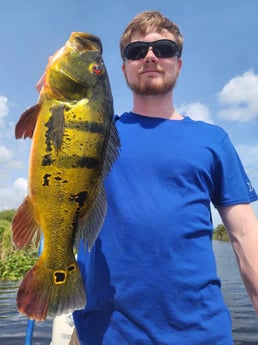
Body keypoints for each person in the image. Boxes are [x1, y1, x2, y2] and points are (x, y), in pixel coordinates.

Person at [72, 10, 258, 345]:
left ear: (179, 63)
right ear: (124, 67)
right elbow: (55, 135)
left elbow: (246, 236)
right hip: (105, 334)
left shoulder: (213, 139)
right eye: (136, 51)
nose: (151, 57)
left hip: (201, 333)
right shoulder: (95, 133)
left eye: (164, 49)